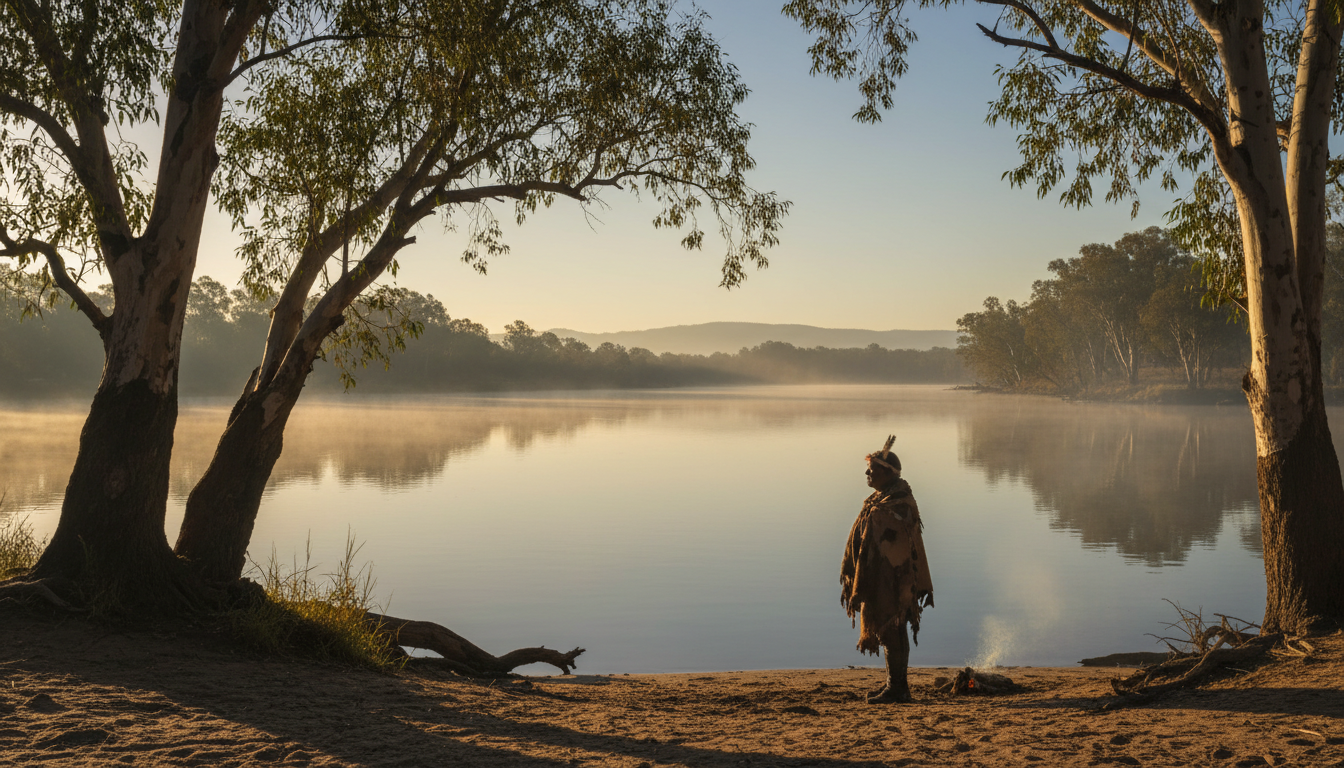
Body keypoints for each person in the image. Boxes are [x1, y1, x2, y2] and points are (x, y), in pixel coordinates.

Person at [840, 435, 934, 704]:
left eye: (872, 469)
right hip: (882, 574)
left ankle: (898, 688)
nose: (867, 473)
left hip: (897, 576)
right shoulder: (879, 498)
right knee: (887, 629)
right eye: (868, 469)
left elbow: (899, 533)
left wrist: (876, 518)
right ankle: (896, 686)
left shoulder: (900, 499)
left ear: (887, 472)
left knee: (893, 628)